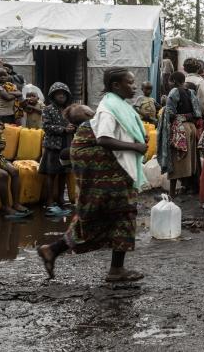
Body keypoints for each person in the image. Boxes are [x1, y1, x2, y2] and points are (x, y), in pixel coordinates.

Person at [37, 68, 148, 282]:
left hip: (108, 168)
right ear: (116, 85)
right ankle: (115, 270)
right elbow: (104, 139)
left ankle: (54, 250)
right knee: (118, 214)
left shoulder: (116, 105)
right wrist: (136, 146)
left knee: (108, 215)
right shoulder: (108, 109)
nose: (135, 86)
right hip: (103, 170)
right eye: (130, 82)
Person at [157, 71, 202, 198]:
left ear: (174, 81)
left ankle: (171, 193)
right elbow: (197, 112)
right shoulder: (191, 92)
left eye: (170, 81)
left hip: (180, 129)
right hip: (191, 128)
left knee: (176, 160)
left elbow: (170, 113)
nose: (169, 83)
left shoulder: (174, 91)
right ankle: (188, 186)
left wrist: (165, 110)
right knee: (189, 159)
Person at [40, 82, 74, 217]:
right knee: (51, 173)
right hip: (53, 146)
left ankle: (60, 200)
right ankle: (49, 202)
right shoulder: (48, 109)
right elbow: (46, 126)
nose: (61, 95)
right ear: (53, 95)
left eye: (63, 93)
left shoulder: (69, 110)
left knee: (63, 173)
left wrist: (73, 128)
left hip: (66, 145)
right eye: (58, 93)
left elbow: (75, 123)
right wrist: (63, 129)